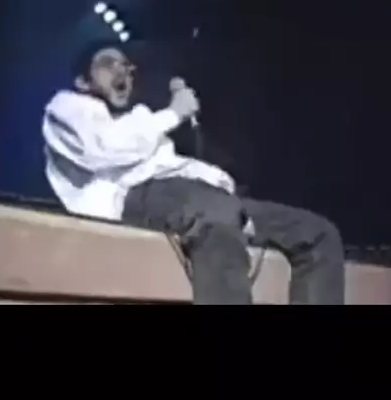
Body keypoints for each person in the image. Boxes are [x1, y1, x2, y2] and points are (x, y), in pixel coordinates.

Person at [42, 41, 345, 304]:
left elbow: (174, 165)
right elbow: (105, 148)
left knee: (318, 234)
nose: (122, 71)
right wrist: (174, 112)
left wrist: (218, 180)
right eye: (109, 64)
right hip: (132, 195)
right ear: (83, 81)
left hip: (197, 196)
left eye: (127, 66)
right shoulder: (67, 107)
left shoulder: (140, 118)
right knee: (216, 213)